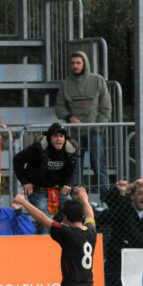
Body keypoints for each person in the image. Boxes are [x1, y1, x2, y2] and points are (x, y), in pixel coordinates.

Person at [54, 51, 112, 192]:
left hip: (95, 131)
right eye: (73, 63)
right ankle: (78, 200)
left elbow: (106, 107)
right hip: (75, 133)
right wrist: (69, 117)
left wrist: (99, 126)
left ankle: (107, 200)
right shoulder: (66, 84)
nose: (75, 65)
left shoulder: (98, 80)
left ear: (84, 63)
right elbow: (59, 107)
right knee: (75, 167)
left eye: (78, 62)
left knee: (99, 166)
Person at [13, 122, 78, 234]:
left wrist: (68, 183)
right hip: (39, 190)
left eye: (61, 136)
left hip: (59, 190)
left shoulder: (69, 150)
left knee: (73, 212)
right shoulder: (38, 149)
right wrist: (25, 182)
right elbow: (17, 160)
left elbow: (71, 168)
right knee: (44, 223)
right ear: (49, 137)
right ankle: (44, 246)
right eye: (55, 136)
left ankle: (74, 240)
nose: (59, 139)